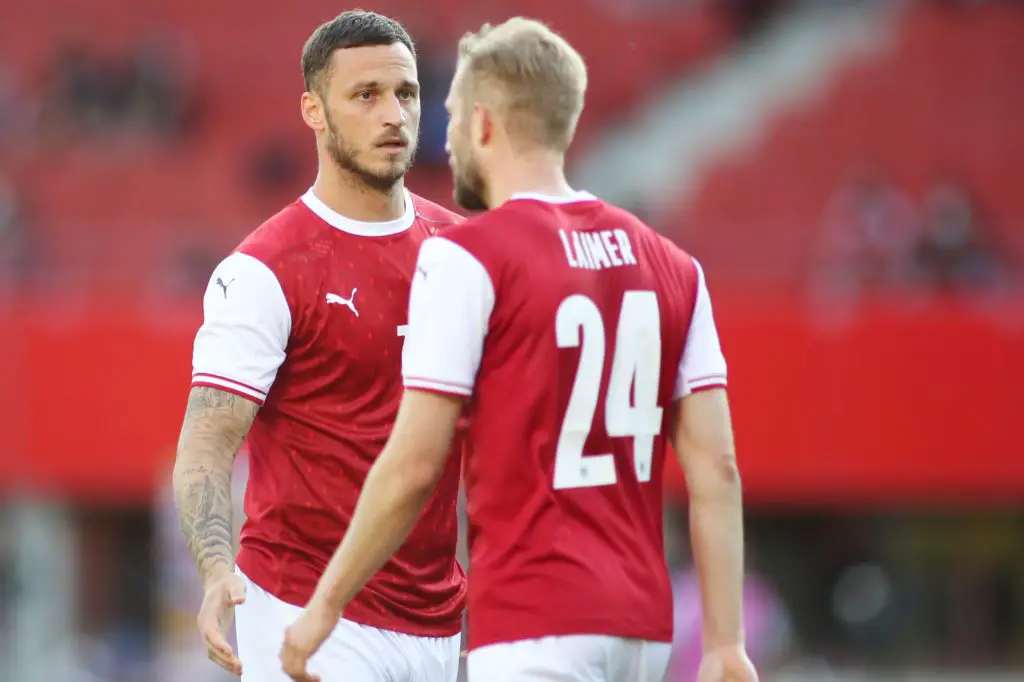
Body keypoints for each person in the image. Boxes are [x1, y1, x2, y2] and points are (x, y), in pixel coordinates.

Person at [280, 17, 757, 682]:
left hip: (535, 620)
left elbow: (414, 465)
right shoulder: (675, 266)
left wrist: (325, 605)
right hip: (642, 629)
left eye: (450, 117)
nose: (443, 140)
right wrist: (725, 642)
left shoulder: (469, 257)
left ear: (482, 124)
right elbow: (717, 468)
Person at [171, 11, 465, 682]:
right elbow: (207, 443)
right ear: (313, 110)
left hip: (437, 617)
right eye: (366, 95)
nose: (392, 114)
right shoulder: (264, 270)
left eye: (406, 93)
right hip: (301, 608)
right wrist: (215, 569)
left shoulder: (463, 254)